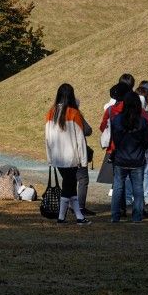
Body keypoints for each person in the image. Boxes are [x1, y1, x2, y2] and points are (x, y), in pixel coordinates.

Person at [45, 83, 91, 225]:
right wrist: (83, 160)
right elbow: (80, 140)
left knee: (70, 187)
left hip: (57, 158)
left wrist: (50, 158)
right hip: (71, 158)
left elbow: (47, 139)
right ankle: (62, 217)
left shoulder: (51, 113)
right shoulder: (74, 113)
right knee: (68, 187)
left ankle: (79, 217)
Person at [110, 91, 148, 223]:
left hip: (121, 158)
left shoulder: (117, 120)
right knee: (138, 188)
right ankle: (137, 217)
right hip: (137, 158)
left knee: (118, 187)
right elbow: (146, 141)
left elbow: (115, 139)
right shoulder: (143, 122)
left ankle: (115, 216)